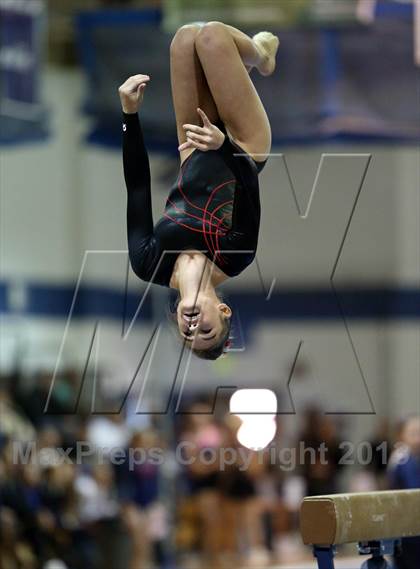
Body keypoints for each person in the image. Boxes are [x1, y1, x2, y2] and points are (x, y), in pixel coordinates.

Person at [118, 22, 279, 359]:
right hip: (243, 146)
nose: (193, 327)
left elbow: (136, 188)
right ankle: (262, 57)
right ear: (224, 312)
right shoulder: (235, 258)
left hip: (191, 149)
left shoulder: (149, 264)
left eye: (187, 334)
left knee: (186, 38)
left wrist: (129, 115)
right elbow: (249, 185)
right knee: (212, 37)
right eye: (205, 330)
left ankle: (248, 58)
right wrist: (224, 147)